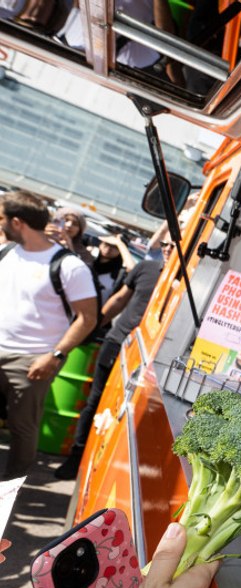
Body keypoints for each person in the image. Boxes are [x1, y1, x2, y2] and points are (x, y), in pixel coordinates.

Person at [0, 191, 98, 479]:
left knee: (22, 428)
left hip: (32, 361)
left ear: (17, 222)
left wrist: (55, 356)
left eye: (2, 218)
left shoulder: (69, 266)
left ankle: (9, 489)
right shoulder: (7, 253)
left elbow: (87, 318)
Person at [54, 239, 169, 480]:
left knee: (126, 413)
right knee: (95, 400)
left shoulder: (188, 281)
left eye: (172, 245)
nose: (168, 248)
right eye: (165, 244)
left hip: (151, 359)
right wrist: (92, 328)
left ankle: (105, 467)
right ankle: (76, 458)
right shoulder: (146, 269)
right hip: (117, 343)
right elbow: (118, 300)